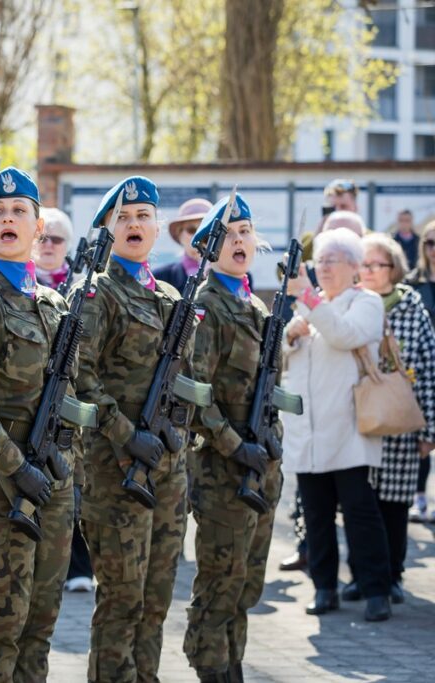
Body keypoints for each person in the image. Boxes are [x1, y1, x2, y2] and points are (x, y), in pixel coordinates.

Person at [0, 167, 75, 681]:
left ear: (37, 226)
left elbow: (71, 393)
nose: (8, 219)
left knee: (40, 628)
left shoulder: (53, 303)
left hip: (52, 488)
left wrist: (64, 461)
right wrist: (15, 466)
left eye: (18, 211)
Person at [74, 175, 191, 681]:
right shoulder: (96, 294)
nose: (135, 224)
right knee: (121, 598)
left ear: (158, 227)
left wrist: (176, 437)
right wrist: (127, 434)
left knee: (157, 596)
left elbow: (185, 379)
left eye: (143, 216)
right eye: (123, 217)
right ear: (106, 229)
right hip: (116, 470)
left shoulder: (168, 296)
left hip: (165, 467)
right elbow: (80, 374)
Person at [183, 194, 282, 683]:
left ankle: (233, 663)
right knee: (220, 583)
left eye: (245, 230)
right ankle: (212, 668)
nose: (239, 239)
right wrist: (232, 445)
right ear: (207, 247)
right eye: (227, 233)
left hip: (261, 468)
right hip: (223, 472)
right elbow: (197, 395)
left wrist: (271, 441)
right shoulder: (207, 307)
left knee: (247, 584)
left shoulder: (257, 306)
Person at [282, 227, 393, 622]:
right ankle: (324, 587)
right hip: (309, 431)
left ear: (352, 266)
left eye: (331, 260)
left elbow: (346, 336)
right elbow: (280, 353)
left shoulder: (365, 302)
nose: (322, 268)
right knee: (316, 513)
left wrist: (309, 303)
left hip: (347, 429)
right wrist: (290, 337)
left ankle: (376, 588)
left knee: (360, 511)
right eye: (320, 261)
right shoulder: (313, 307)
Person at [352, 233, 435, 602]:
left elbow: (429, 369)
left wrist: (429, 429)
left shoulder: (412, 306)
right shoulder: (350, 303)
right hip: (357, 422)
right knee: (359, 504)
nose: (368, 271)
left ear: (393, 268)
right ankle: (361, 576)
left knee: (394, 506)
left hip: (399, 422)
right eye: (364, 264)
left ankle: (393, 575)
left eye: (376, 264)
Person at [31, 207, 93, 593]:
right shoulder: (23, 282)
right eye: (44, 238)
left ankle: (78, 567)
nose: (49, 245)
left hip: (70, 400)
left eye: (57, 239)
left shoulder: (80, 287)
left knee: (72, 483)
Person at [404, 218, 435, 522]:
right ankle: (420, 498)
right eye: (429, 242)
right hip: (423, 371)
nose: (434, 249)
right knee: (422, 437)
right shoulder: (413, 283)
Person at [153, 197, 213, 291]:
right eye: (191, 230)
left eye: (205, 230)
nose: (199, 236)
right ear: (179, 235)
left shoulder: (231, 277)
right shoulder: (159, 279)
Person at [34, 206, 73, 291]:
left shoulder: (82, 283)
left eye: (56, 240)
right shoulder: (17, 279)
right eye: (42, 239)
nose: (48, 244)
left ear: (67, 244)